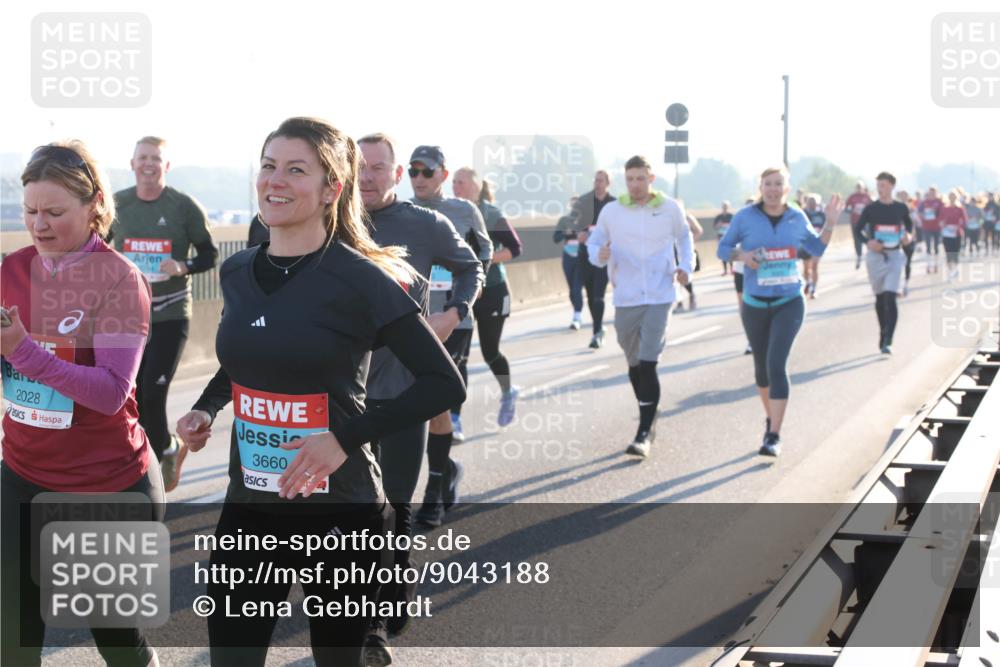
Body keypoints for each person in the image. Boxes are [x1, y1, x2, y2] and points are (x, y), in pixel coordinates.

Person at [175, 118, 465, 667]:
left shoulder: (362, 279)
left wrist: (342, 439)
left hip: (341, 513)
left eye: (295, 169)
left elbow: (442, 383)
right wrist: (205, 408)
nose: (274, 180)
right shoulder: (238, 272)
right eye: (267, 165)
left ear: (332, 188)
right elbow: (242, 364)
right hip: (252, 507)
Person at [2, 141, 162, 667]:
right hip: (21, 471)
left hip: (103, 483)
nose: (39, 225)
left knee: (115, 637)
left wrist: (22, 351)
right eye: (29, 211)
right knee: (13, 633)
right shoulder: (12, 269)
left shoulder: (119, 278)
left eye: (54, 212)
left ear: (94, 203)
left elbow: (112, 392)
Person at [356, 132, 483, 664]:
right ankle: (368, 629)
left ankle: (393, 594)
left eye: (378, 168)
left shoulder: (426, 224)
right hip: (344, 391)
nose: (368, 177)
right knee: (359, 512)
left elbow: (472, 266)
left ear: (397, 173)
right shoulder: (329, 223)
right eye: (359, 168)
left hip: (405, 384)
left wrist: (453, 314)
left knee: (396, 507)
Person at [110, 136, 218, 492]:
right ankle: (155, 454)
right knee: (130, 394)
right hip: (127, 316)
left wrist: (183, 266)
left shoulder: (184, 207)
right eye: (143, 157)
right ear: (132, 163)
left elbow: (209, 254)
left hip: (171, 314)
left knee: (152, 394)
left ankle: (159, 459)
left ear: (166, 166)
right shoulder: (118, 205)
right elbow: (96, 245)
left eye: (156, 158)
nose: (149, 164)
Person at [717, 166, 842, 457]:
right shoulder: (745, 217)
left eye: (778, 184)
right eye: (768, 184)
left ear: (787, 188)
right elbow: (723, 249)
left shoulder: (796, 216)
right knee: (761, 369)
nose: (773, 189)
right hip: (755, 303)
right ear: (760, 187)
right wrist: (742, 256)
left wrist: (830, 224)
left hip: (789, 301)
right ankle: (771, 416)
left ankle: (773, 434)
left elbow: (815, 249)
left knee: (776, 364)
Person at [586, 156, 693, 458]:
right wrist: (600, 255)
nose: (635, 185)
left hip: (660, 293)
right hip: (627, 295)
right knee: (633, 364)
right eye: (630, 179)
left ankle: (643, 431)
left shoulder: (670, 208)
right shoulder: (613, 211)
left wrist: (686, 266)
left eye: (640, 178)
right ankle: (649, 409)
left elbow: (684, 239)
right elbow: (594, 245)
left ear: (651, 178)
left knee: (648, 361)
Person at [406, 145, 492, 520]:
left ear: (443, 174)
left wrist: (462, 304)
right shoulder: (401, 212)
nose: (420, 178)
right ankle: (445, 472)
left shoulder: (463, 210)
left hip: (452, 321)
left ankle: (434, 489)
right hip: (408, 322)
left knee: (434, 404)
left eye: (427, 171)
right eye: (413, 170)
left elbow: (482, 257)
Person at [453, 166, 523, 428]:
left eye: (460, 182)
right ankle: (455, 418)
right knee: (459, 355)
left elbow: (516, 249)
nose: (455, 186)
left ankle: (508, 392)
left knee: (489, 350)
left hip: (493, 291)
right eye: (454, 182)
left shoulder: (490, 214)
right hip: (462, 292)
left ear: (475, 186)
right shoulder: (448, 211)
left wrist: (484, 259)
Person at [857, 172, 914, 354]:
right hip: (876, 257)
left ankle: (889, 337)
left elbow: (909, 227)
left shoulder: (900, 208)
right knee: (880, 299)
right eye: (878, 185)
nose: (879, 188)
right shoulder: (871, 208)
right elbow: (857, 230)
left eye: (882, 184)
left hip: (895, 255)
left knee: (891, 296)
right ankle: (883, 332)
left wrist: (908, 237)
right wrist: (868, 242)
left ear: (891, 186)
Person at [573, 171, 617, 348]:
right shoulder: (583, 202)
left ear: (608, 183)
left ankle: (596, 333)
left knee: (599, 295)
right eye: (596, 180)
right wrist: (579, 234)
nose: (597, 183)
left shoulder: (614, 204)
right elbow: (573, 225)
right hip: (586, 255)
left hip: (605, 254)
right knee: (590, 296)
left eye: (601, 181)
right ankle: (598, 329)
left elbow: (619, 228)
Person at [554, 195, 584, 328]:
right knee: (572, 289)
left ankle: (577, 317)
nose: (575, 207)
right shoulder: (564, 220)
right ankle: (576, 310)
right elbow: (556, 238)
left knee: (577, 288)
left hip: (581, 257)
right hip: (568, 256)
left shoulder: (586, 220)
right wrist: (566, 233)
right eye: (573, 204)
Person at [799, 194, 826, 298]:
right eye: (810, 202)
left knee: (814, 266)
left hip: (817, 244)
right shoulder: (803, 214)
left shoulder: (821, 215)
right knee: (806, 269)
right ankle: (808, 283)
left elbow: (826, 228)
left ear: (817, 203)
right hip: (805, 244)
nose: (812, 204)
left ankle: (814, 288)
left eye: (814, 202)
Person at [674, 213, 702, 312]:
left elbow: (699, 231)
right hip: (674, 251)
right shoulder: (670, 216)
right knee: (675, 278)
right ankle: (679, 302)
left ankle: (691, 295)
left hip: (686, 253)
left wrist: (689, 242)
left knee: (685, 275)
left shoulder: (688, 217)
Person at [940, 190, 968, 280]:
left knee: (955, 252)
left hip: (957, 233)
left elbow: (965, 221)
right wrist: (942, 224)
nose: (952, 198)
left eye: (954, 196)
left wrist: (958, 226)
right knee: (948, 252)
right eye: (950, 196)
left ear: (956, 197)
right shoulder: (944, 208)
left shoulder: (960, 208)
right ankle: (950, 270)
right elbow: (940, 219)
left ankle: (955, 268)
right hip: (947, 233)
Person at [895, 190, 917, 297]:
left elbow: (914, 223)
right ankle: (897, 286)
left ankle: (906, 284)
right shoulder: (894, 208)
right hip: (896, 238)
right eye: (900, 195)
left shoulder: (912, 209)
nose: (902, 197)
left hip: (908, 238)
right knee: (896, 263)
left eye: (904, 195)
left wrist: (910, 235)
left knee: (907, 262)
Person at [918, 186, 944, 273]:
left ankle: (936, 265)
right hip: (926, 227)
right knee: (928, 247)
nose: (932, 194)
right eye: (930, 192)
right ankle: (928, 265)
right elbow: (919, 212)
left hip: (936, 227)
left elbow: (943, 213)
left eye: (934, 193)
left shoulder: (939, 202)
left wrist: (940, 220)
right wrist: (922, 216)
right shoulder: (924, 202)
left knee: (936, 247)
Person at [846, 181, 871, 270]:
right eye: (857, 187)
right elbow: (846, 207)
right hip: (855, 221)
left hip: (866, 222)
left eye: (860, 187)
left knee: (869, 236)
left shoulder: (867, 197)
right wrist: (850, 210)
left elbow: (872, 207)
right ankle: (859, 255)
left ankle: (870, 253)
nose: (859, 189)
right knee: (857, 239)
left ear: (863, 188)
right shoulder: (852, 197)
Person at [714, 201, 734, 275]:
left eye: (726, 206)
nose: (725, 208)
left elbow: (735, 226)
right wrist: (719, 225)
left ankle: (732, 269)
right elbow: (715, 227)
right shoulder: (718, 217)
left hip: (730, 236)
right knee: (723, 253)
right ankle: (725, 270)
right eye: (723, 206)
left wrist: (727, 225)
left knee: (731, 253)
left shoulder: (731, 216)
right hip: (721, 237)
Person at [964, 192, 983, 257]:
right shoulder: (967, 209)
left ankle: (978, 249)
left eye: (973, 202)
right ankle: (970, 251)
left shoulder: (978, 209)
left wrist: (979, 223)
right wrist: (968, 219)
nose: (972, 203)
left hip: (976, 226)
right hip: (969, 227)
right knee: (970, 239)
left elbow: (982, 218)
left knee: (976, 240)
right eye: (971, 202)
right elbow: (965, 217)